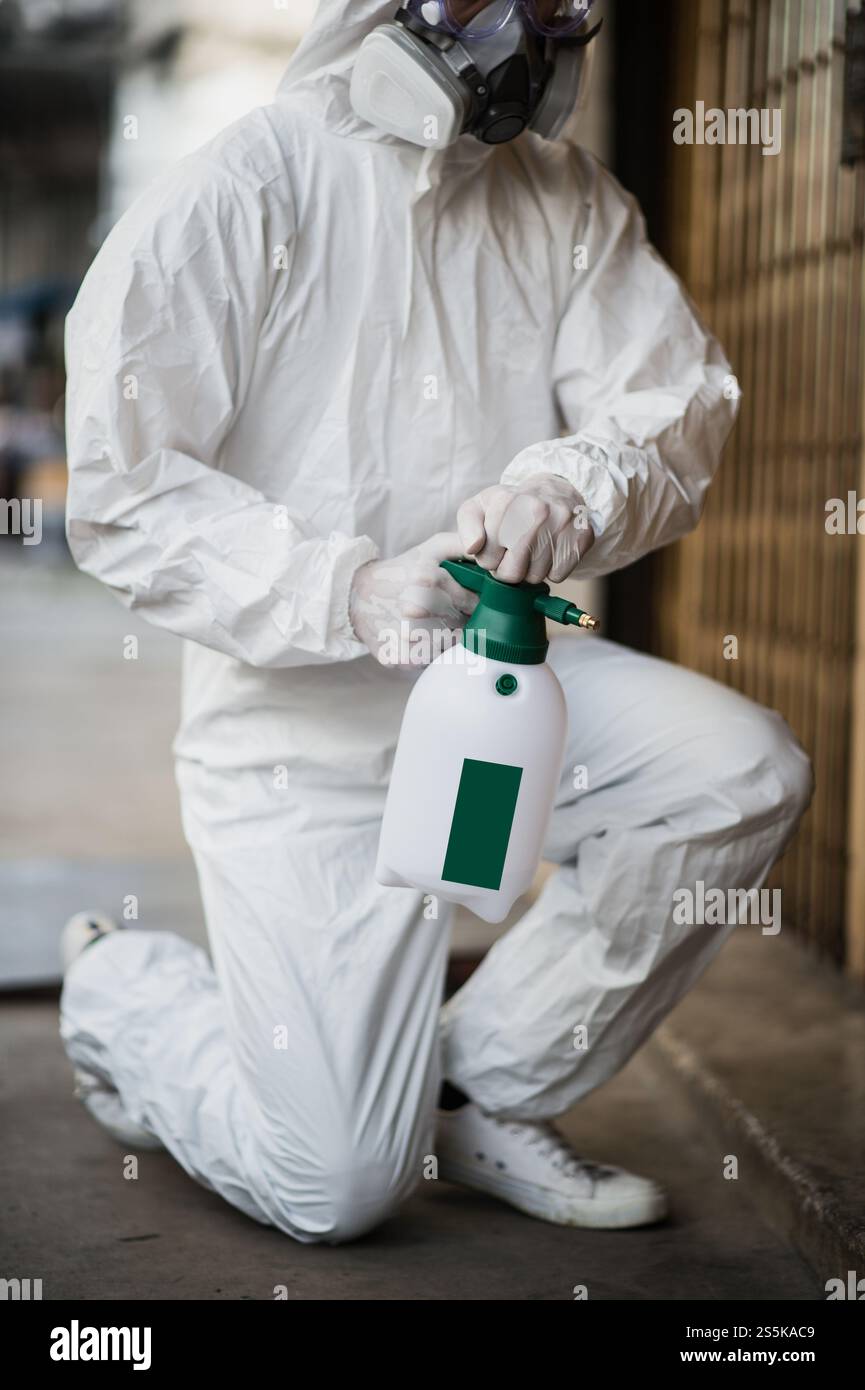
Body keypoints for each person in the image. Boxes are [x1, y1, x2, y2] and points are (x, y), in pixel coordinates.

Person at [60, 0, 812, 1243]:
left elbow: (671, 409)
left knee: (733, 772)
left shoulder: (567, 202)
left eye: (565, 1)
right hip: (296, 738)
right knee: (337, 1187)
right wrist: (341, 588)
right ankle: (124, 991)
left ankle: (482, 1086)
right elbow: (125, 489)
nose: (528, 25)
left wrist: (568, 487)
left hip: (496, 686)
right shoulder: (253, 184)